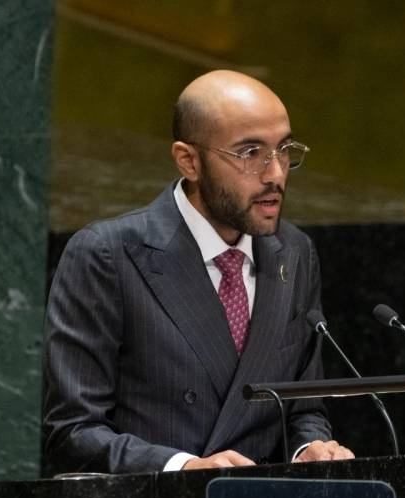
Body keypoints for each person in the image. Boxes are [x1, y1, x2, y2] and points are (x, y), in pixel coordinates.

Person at [41, 70, 354, 475]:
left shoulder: (293, 252)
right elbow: (72, 432)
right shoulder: (107, 255)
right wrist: (184, 468)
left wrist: (307, 448)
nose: (276, 173)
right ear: (189, 161)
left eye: (284, 150)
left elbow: (303, 407)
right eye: (250, 152)